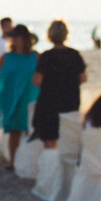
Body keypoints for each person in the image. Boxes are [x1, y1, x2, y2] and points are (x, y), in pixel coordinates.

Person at [0, 24, 39, 170]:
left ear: (24, 38)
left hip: (30, 98)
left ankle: (31, 162)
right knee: (14, 130)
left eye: (15, 37)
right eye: (12, 37)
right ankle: (13, 161)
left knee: (31, 129)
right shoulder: (7, 57)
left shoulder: (36, 56)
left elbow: (45, 75)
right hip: (11, 98)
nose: (12, 40)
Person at [31, 20, 87, 150]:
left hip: (49, 101)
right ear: (66, 34)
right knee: (68, 134)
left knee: (50, 138)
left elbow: (37, 80)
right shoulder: (74, 54)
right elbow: (83, 78)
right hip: (70, 99)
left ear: (50, 35)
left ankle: (52, 164)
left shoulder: (46, 56)